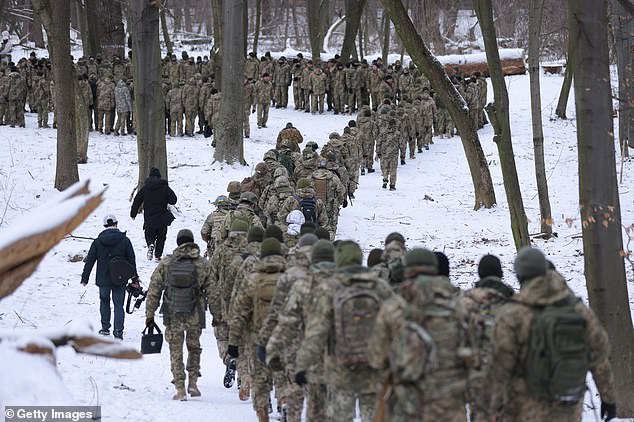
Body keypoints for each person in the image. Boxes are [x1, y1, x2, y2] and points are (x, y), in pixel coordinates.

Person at [489, 247, 616, 422]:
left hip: (524, 409)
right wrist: (608, 397)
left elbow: (500, 367)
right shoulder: (577, 310)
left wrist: (494, 408)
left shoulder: (513, 314)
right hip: (568, 409)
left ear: (520, 276)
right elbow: (600, 357)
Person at [145, 229, 215, 401]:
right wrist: (217, 314)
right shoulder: (203, 264)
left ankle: (179, 388)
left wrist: (150, 314)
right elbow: (214, 292)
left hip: (172, 312)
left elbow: (154, 289)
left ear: (178, 242)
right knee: (194, 347)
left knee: (175, 350)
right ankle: (193, 383)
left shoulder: (167, 263)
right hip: (195, 313)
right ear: (192, 242)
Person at [80, 214, 137, 340]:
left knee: (104, 301)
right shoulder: (125, 240)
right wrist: (134, 278)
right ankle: (118, 332)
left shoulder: (98, 241)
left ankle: (105, 328)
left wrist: (85, 277)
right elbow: (131, 260)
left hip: (103, 279)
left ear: (104, 226)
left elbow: (90, 260)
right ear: (116, 223)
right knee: (118, 305)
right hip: (120, 278)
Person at [130, 167, 178, 261]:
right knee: (161, 237)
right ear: (160, 177)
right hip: (162, 218)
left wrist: (133, 213)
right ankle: (157, 256)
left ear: (150, 177)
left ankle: (151, 244)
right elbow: (173, 200)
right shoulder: (164, 188)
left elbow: (137, 200)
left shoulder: (145, 188)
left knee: (148, 234)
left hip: (149, 218)